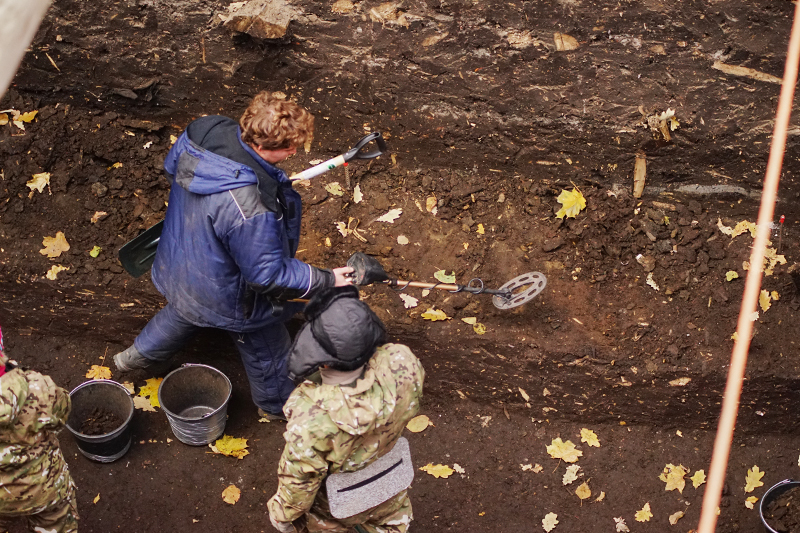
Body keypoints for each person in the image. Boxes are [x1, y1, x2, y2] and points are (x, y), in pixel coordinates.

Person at [113, 91, 353, 419]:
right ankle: (277, 406)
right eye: (289, 147)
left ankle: (132, 360)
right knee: (267, 349)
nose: (295, 151)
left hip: (182, 258)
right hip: (228, 294)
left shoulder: (204, 132)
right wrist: (326, 278)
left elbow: (174, 170)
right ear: (265, 147)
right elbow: (267, 276)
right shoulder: (250, 207)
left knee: (184, 310)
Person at [267, 286, 425, 533]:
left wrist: (282, 516)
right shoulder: (402, 362)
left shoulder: (312, 418)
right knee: (390, 520)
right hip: (389, 482)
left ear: (324, 361)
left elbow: (299, 483)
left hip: (338, 504)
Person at [0, 325, 79, 533]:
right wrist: (15, 373)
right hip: (42, 489)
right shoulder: (35, 387)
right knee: (56, 521)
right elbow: (63, 411)